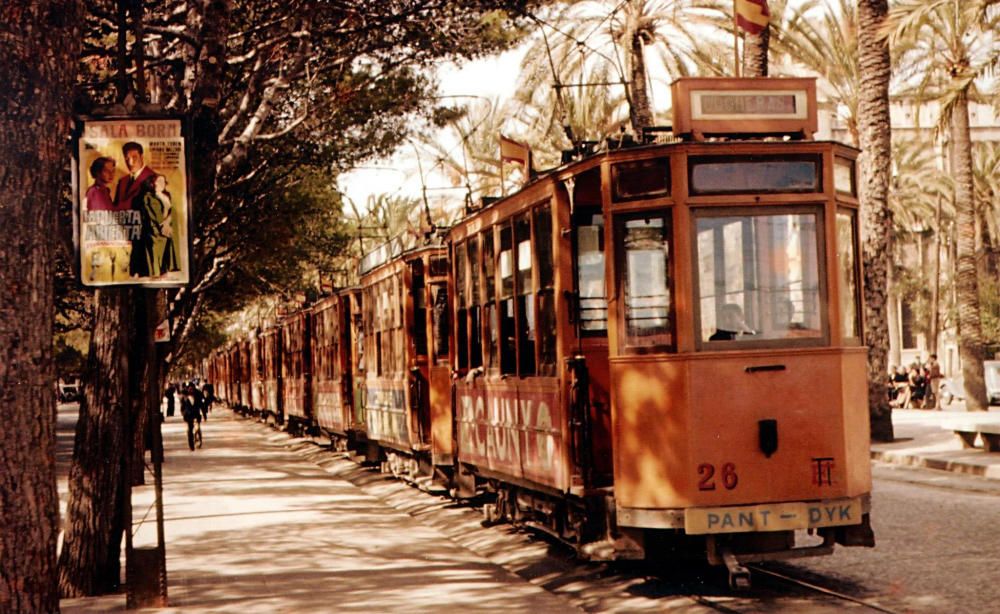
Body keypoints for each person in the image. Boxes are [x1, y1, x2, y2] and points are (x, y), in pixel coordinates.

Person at [114, 141, 156, 277]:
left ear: (142, 157)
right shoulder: (123, 181)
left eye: (134, 157)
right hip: (124, 238)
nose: (130, 162)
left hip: (143, 240)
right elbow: (116, 208)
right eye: (127, 158)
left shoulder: (153, 179)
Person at [139, 174, 181, 277]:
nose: (162, 184)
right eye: (159, 181)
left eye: (163, 181)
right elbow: (154, 214)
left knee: (166, 261)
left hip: (168, 229)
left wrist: (167, 223)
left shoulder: (167, 196)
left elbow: (173, 211)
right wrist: (163, 225)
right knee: (155, 259)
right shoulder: (148, 197)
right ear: (152, 183)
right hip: (156, 231)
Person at [181, 386, 202, 451]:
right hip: (189, 417)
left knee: (197, 429)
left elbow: (200, 406)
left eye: (192, 390)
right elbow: (182, 408)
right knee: (190, 432)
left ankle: (198, 441)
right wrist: (185, 414)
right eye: (190, 390)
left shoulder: (197, 398)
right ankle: (191, 446)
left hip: (196, 416)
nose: (191, 392)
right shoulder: (185, 399)